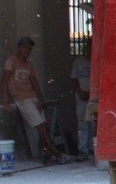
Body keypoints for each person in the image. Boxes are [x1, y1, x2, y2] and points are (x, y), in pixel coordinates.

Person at [1, 36, 69, 164]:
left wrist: (39, 99)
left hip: (32, 97)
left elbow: (35, 83)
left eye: (29, 49)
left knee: (43, 126)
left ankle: (48, 154)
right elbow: (4, 82)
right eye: (25, 48)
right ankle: (57, 153)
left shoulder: (29, 64)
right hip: (21, 99)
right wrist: (5, 102)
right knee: (41, 127)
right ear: (19, 48)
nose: (27, 51)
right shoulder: (12, 61)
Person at [70, 40, 94, 162]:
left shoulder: (96, 62)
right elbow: (74, 79)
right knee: (83, 124)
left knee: (94, 124)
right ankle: (83, 150)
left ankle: (92, 149)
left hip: (93, 97)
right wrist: (80, 92)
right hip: (81, 97)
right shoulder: (78, 62)